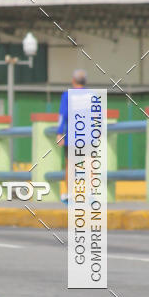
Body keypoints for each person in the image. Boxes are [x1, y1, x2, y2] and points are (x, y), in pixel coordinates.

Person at [56, 69, 87, 203]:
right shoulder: (92, 95)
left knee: (69, 164)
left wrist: (59, 133)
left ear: (73, 81)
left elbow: (62, 115)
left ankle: (69, 194)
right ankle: (89, 194)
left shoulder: (67, 95)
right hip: (88, 136)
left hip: (72, 136)